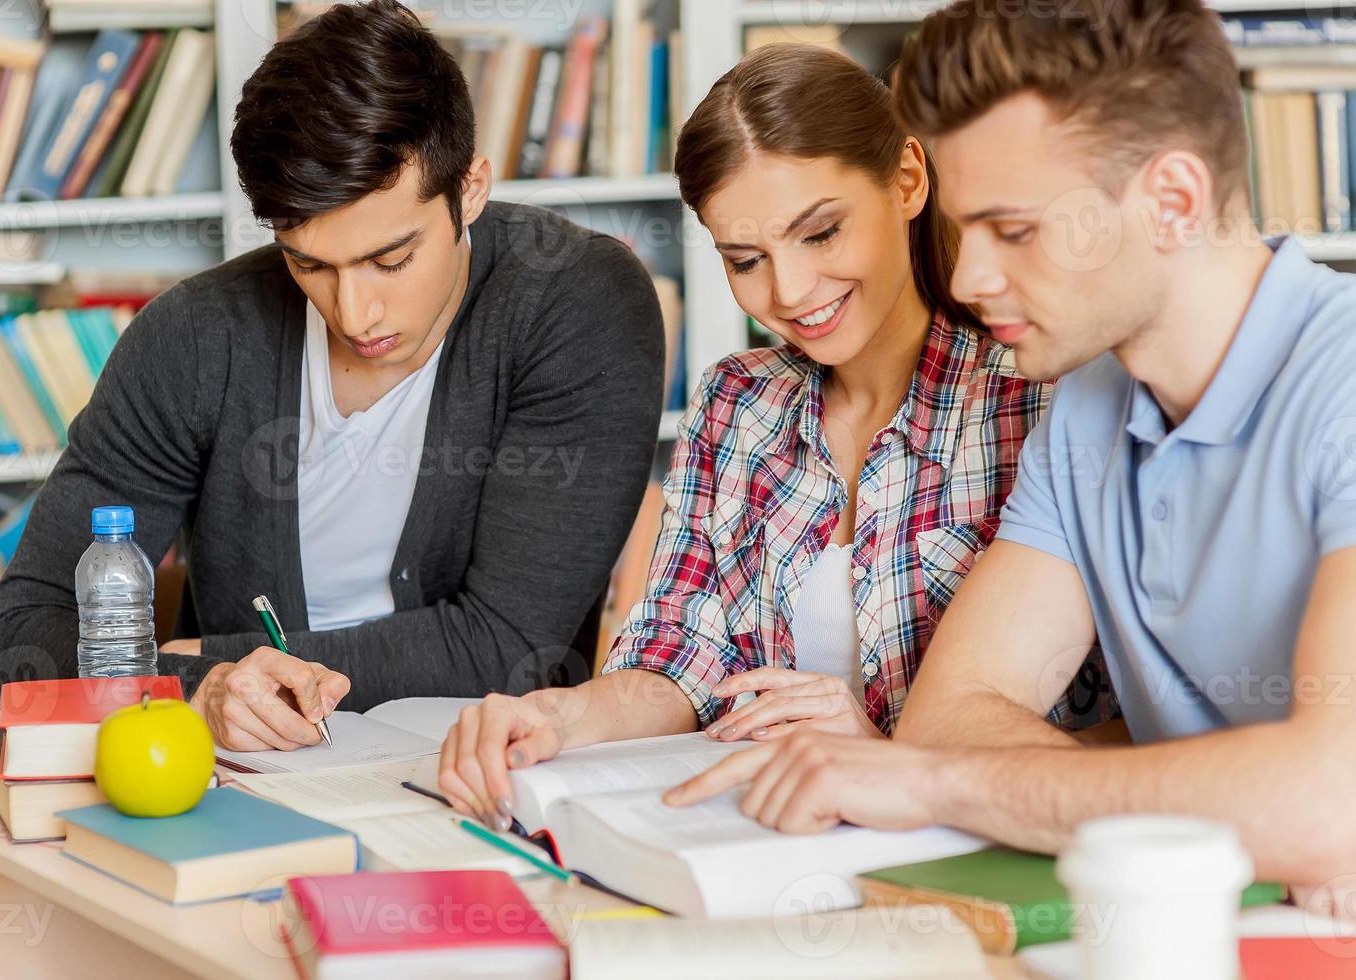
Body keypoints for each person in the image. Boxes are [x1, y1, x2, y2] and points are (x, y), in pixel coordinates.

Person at [665, 0, 1356, 905]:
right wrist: (1252, 807)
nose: (964, 278)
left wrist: (940, 785)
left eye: (1015, 231)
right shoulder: (1084, 410)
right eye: (967, 226)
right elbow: (947, 722)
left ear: (1173, 202)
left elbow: (1324, 805)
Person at [439, 44, 1109, 829]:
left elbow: (1120, 733)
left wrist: (890, 756)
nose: (787, 292)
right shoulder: (738, 401)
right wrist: (559, 718)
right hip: (769, 838)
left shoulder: (1037, 401)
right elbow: (676, 658)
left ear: (907, 181)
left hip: (988, 844)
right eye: (746, 259)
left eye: (820, 234)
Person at [0, 0, 665, 752]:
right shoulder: (194, 335)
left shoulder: (575, 300)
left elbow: (505, 648)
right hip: (242, 776)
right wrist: (197, 691)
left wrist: (203, 661)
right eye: (309, 263)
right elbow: (22, 644)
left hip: (485, 772)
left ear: (469, 188)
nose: (355, 311)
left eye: (391, 258)